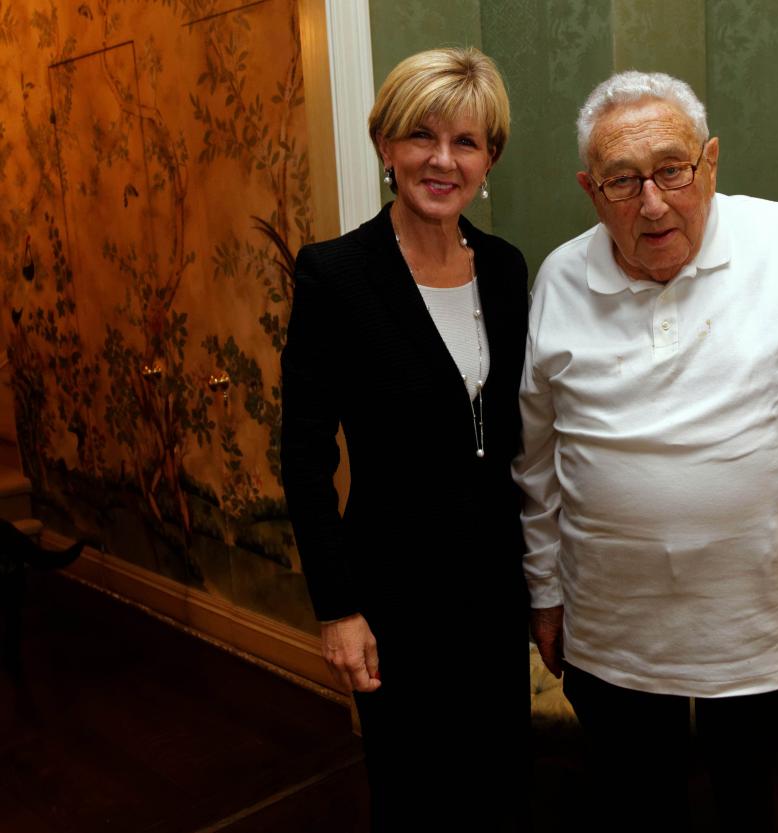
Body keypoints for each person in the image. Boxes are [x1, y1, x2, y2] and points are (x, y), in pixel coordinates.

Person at [513, 70, 778, 832]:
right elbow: (536, 459)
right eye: (624, 181)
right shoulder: (561, 277)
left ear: (711, 162)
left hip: (757, 621)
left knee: (758, 807)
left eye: (671, 169)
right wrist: (544, 590)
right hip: (612, 623)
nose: (653, 202)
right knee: (634, 807)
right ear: (591, 190)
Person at [281, 47, 530, 831]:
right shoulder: (336, 275)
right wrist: (337, 607)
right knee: (415, 796)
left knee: (497, 788)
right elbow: (305, 455)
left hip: (496, 589)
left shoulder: (504, 267)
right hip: (393, 595)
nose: (442, 159)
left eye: (467, 141)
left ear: (490, 158)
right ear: (386, 145)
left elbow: (521, 434)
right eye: (421, 135)